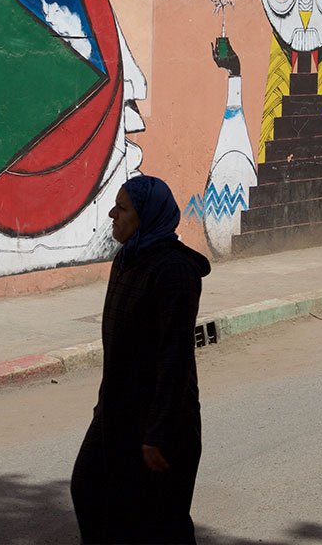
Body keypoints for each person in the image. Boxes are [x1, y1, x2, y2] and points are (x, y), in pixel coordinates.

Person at [71, 175, 211, 544]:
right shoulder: (128, 258)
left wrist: (159, 432)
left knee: (163, 521)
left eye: (124, 208)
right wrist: (105, 407)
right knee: (90, 491)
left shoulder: (174, 271)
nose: (113, 214)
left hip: (160, 422)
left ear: (146, 215)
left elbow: (174, 357)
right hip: (117, 413)